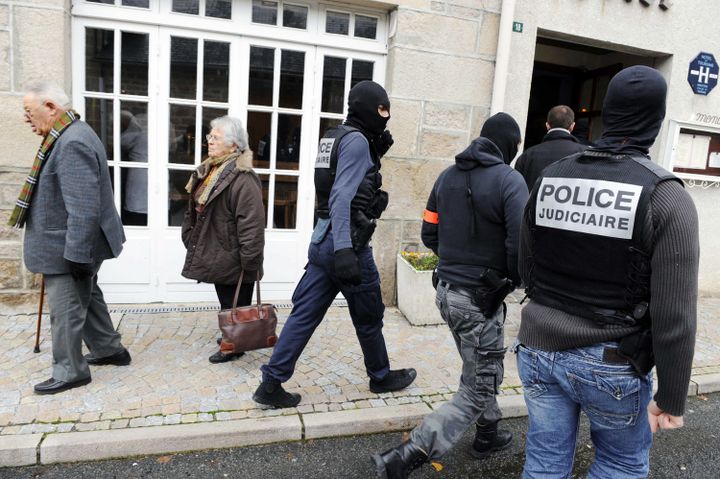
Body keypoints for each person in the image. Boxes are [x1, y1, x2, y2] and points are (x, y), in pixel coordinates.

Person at [516, 65, 699, 477]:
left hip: (538, 345)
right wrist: (672, 397)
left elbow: (526, 264)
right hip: (611, 358)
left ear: (606, 114)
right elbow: (675, 314)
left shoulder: (550, 176)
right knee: (620, 464)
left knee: (544, 461)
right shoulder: (664, 195)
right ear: (657, 119)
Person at [372, 113, 529, 478]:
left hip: (445, 293)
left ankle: (487, 432)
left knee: (478, 369)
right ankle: (406, 454)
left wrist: (456, 259)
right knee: (477, 386)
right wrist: (509, 280)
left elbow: (429, 232)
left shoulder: (447, 176)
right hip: (480, 299)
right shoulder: (510, 180)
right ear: (510, 145)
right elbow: (521, 245)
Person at [253, 80, 415, 408]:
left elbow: (334, 181)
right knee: (369, 316)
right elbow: (342, 196)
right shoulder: (356, 141)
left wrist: (374, 151)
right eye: (382, 109)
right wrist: (345, 250)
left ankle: (271, 383)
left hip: (321, 239)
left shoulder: (334, 136)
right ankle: (381, 377)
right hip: (348, 244)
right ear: (368, 108)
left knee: (304, 314)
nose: (386, 116)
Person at [12, 82, 129, 395]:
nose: (27, 119)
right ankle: (108, 348)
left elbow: (83, 208)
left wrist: (76, 256)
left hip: (69, 246)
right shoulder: (69, 133)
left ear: (51, 107)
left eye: (29, 112)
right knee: (87, 295)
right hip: (73, 242)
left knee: (65, 310)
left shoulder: (71, 141)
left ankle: (71, 370)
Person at [181, 116, 265, 364]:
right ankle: (233, 335)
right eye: (210, 136)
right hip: (220, 252)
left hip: (235, 255)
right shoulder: (212, 169)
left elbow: (251, 224)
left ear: (232, 144)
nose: (209, 141)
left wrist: (249, 261)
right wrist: (188, 232)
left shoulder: (243, 177)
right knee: (227, 302)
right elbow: (195, 204)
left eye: (215, 137)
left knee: (236, 303)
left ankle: (234, 344)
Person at [514, 105, 587, 191]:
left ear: (547, 125)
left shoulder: (527, 155)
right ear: (572, 126)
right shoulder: (585, 154)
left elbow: (517, 190)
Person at [119, 110, 149, 226]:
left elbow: (121, 142)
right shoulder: (167, 124)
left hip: (138, 178)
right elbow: (173, 146)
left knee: (135, 218)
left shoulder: (136, 128)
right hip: (153, 177)